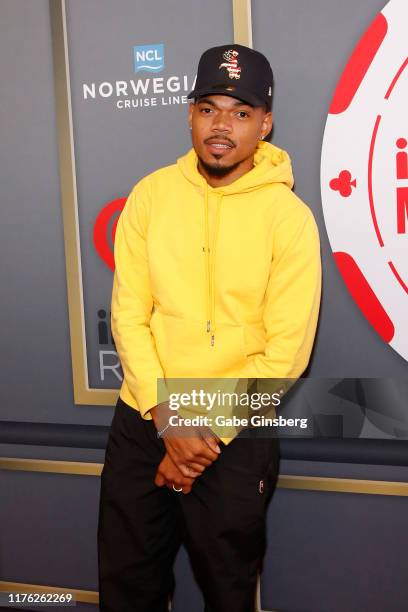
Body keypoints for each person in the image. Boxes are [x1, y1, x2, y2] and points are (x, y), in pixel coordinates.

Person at [97, 44, 322, 612]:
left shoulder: (288, 219)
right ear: (190, 114)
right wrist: (167, 416)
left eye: (241, 112)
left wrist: (199, 430)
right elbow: (129, 313)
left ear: (265, 123)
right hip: (144, 419)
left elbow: (285, 354)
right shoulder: (150, 195)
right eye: (209, 109)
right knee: (128, 588)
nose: (222, 126)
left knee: (228, 593)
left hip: (234, 432)